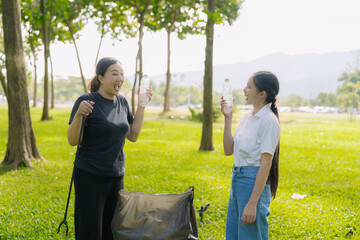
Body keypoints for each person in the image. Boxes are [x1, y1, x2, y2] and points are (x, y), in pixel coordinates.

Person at [67, 57, 152, 240]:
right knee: (90, 232)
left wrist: (142, 105)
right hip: (90, 177)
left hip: (115, 177)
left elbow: (133, 135)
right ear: (101, 78)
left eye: (122, 74)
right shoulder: (87, 101)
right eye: (114, 74)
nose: (120, 78)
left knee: (111, 232)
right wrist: (79, 115)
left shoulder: (122, 102)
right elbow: (73, 140)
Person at [221, 71, 281, 240]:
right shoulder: (247, 117)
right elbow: (228, 150)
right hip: (237, 180)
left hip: (252, 183)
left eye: (249, 86)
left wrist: (253, 202)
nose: (244, 90)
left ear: (262, 94)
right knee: (233, 236)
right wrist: (228, 118)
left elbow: (266, 164)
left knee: (250, 236)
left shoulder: (269, 121)